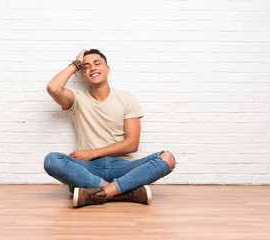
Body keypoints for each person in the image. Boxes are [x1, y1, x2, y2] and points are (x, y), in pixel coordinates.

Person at [44, 49, 176, 207]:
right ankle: (124, 191)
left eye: (97, 64)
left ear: (107, 69)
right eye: (86, 66)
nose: (92, 68)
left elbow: (132, 143)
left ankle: (98, 192)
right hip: (89, 168)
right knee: (51, 160)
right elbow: (53, 88)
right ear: (82, 74)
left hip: (122, 166)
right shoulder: (77, 99)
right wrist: (75, 64)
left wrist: (91, 153)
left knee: (167, 158)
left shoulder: (126, 98)